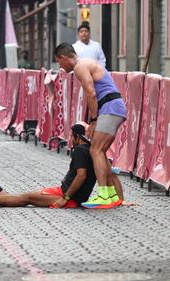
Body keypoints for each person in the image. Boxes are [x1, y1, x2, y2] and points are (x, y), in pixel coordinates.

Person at [54, 42, 127, 209]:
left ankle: (104, 195)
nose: (59, 65)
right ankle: (110, 194)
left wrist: (94, 120)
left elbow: (91, 94)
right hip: (112, 107)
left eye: (59, 61)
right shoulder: (85, 64)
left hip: (110, 107)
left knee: (95, 150)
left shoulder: (80, 66)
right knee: (99, 151)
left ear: (64, 58)